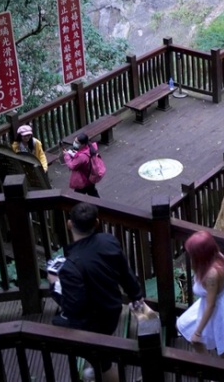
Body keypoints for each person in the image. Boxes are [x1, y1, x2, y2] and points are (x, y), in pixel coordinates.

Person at [50, 202, 145, 382]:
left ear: (70, 224)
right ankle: (98, 366)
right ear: (97, 223)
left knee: (61, 326)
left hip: (94, 322)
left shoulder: (71, 267)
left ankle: (102, 368)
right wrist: (136, 296)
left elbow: (73, 307)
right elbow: (126, 274)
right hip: (113, 309)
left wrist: (55, 285)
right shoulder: (109, 241)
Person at [176, 231, 224, 360]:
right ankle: (207, 363)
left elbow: (211, 305)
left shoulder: (210, 275)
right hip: (218, 303)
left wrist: (198, 332)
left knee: (222, 348)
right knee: (189, 329)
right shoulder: (218, 257)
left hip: (217, 311)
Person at [64, 132, 102, 198]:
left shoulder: (82, 156)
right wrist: (76, 154)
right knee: (92, 193)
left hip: (83, 180)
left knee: (78, 196)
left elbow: (72, 166)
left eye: (77, 142)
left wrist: (67, 155)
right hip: (90, 176)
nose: (74, 143)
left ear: (83, 144)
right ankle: (101, 206)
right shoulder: (90, 148)